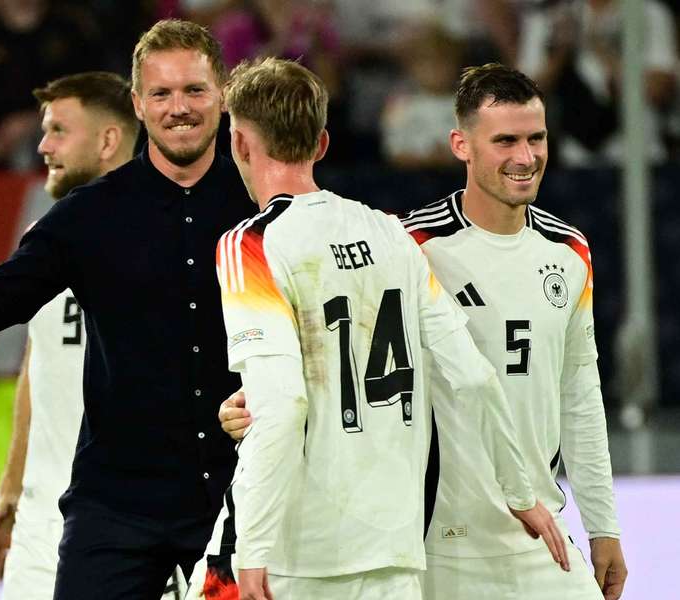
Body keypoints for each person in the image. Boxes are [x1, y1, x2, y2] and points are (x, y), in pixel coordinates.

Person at [0, 19, 254, 599]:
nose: (180, 108)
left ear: (222, 95)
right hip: (118, 507)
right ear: (137, 104)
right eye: (162, 93)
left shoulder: (261, 204)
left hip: (239, 497)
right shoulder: (86, 215)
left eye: (194, 90)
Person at [220, 62, 628, 600]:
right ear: (461, 144)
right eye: (505, 140)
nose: (525, 157)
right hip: (430, 540)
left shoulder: (569, 252)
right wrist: (255, 399)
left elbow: (580, 394)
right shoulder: (406, 242)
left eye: (536, 138)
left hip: (521, 532)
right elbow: (345, 358)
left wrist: (601, 525)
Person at [0, 72, 140, 598]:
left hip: (130, 529)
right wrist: (9, 493)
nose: (42, 146)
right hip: (41, 529)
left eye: (59, 131)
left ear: (109, 141)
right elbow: (36, 365)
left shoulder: (168, 244)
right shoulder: (40, 240)